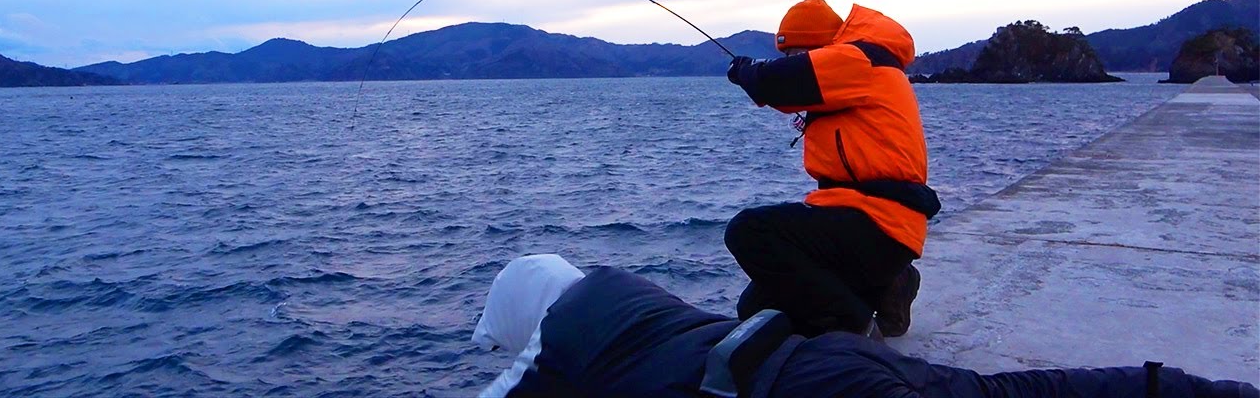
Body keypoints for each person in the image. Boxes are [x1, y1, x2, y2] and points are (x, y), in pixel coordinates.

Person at [473, 255, 1257, 398]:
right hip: (831, 357)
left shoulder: (550, 348)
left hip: (814, 387)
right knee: (1019, 391)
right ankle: (1198, 388)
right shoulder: (618, 290)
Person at [724, 0, 937, 339]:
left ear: (820, 46)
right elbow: (788, 89)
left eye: (796, 54)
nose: (792, 62)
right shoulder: (856, 66)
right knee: (755, 308)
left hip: (878, 225)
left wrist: (747, 70)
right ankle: (891, 286)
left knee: (748, 231)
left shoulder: (855, 59)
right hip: (876, 225)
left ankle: (856, 324)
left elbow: (780, 82)